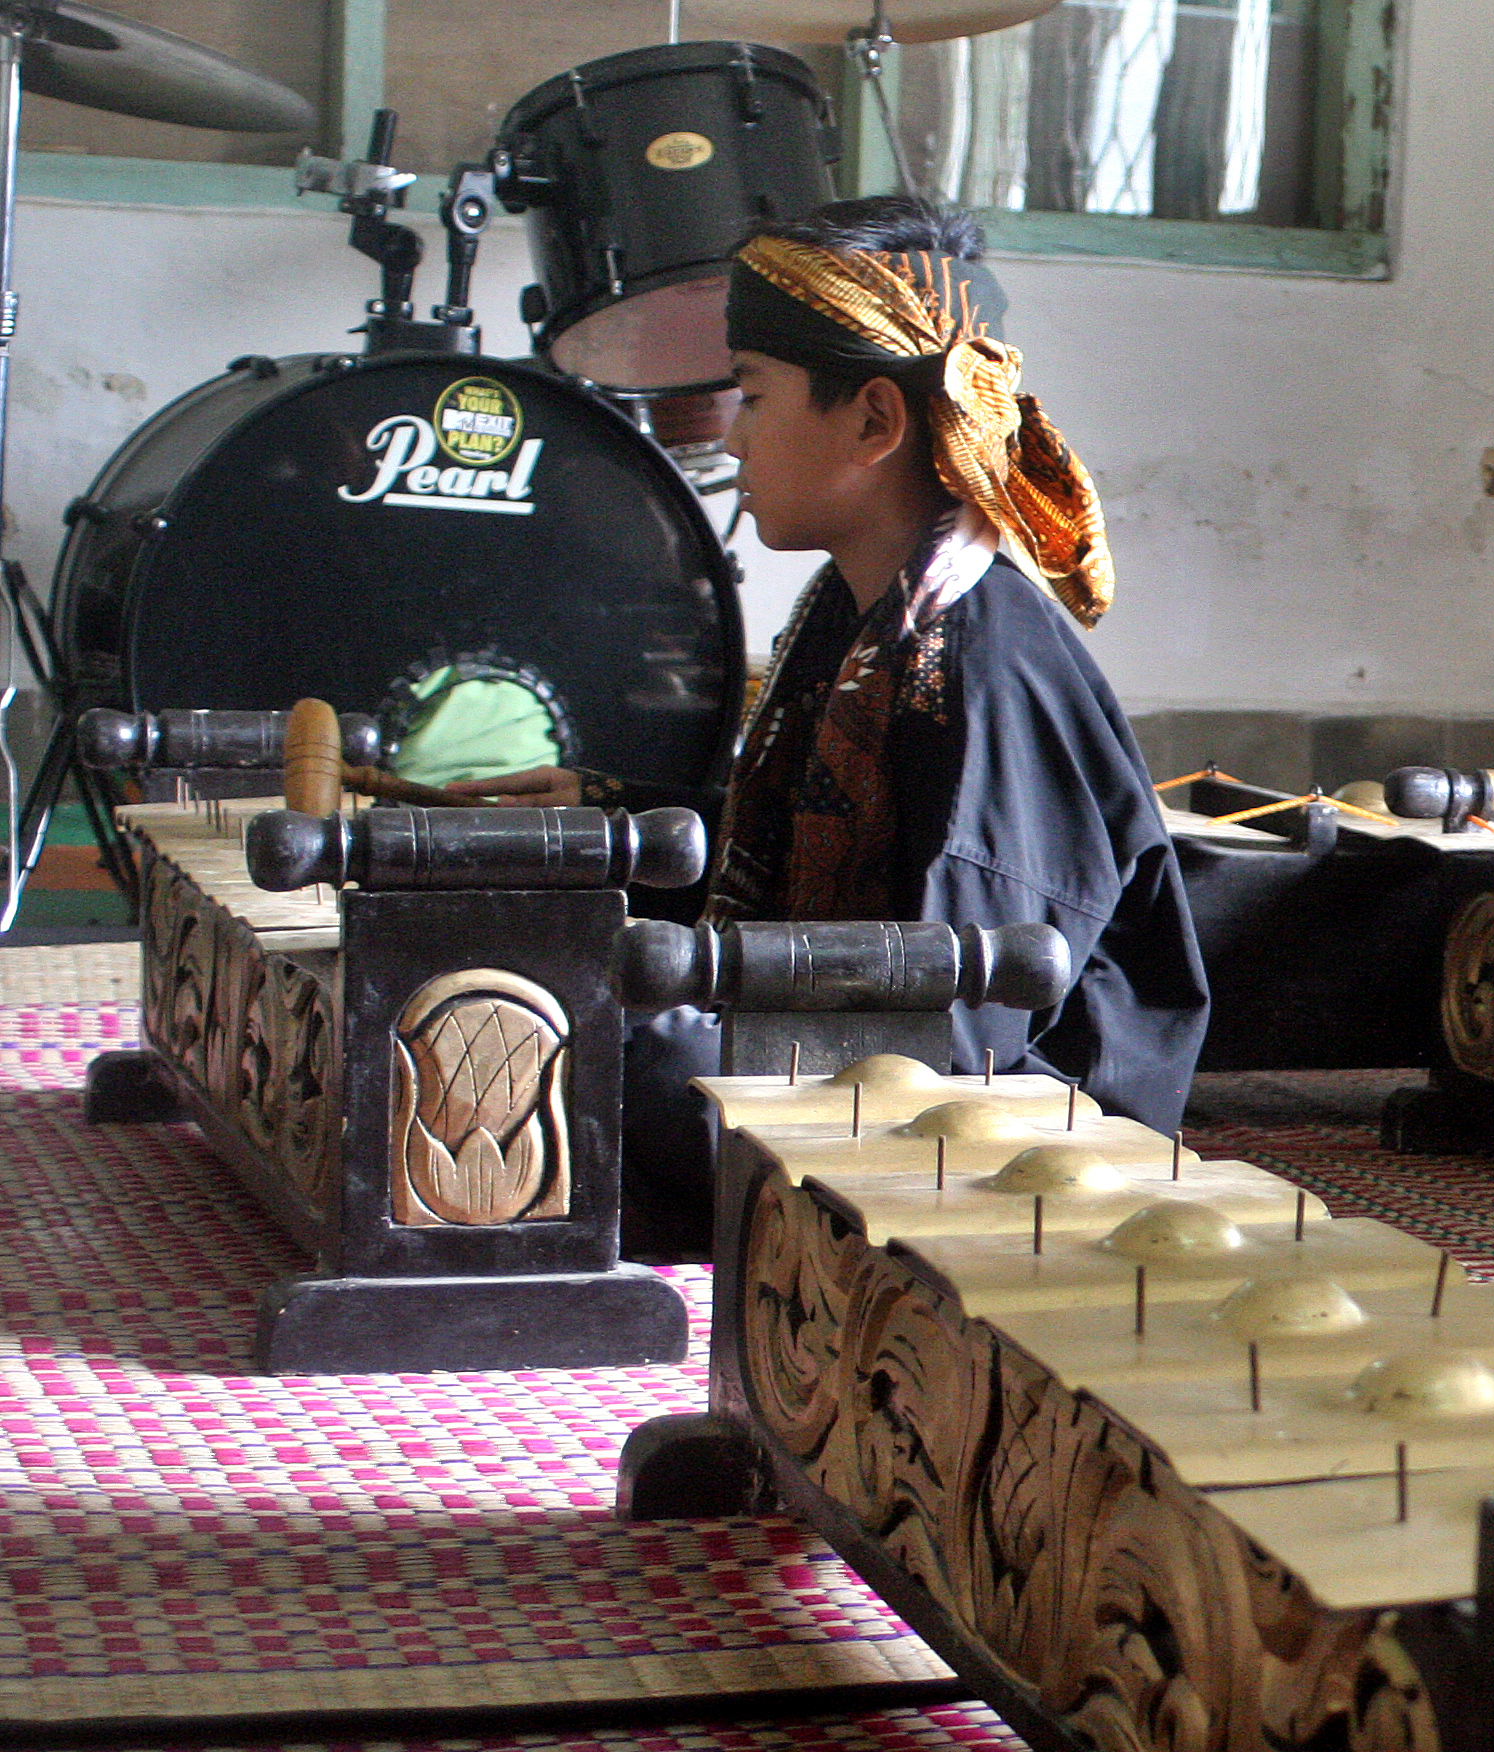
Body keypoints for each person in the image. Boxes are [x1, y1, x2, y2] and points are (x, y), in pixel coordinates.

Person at [454, 196, 1209, 1254]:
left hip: (1020, 1141)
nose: (732, 434)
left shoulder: (980, 661)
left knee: (562, 1037)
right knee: (539, 984)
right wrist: (613, 815)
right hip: (898, 1058)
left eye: (754, 395)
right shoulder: (865, 613)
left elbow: (958, 1027)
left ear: (872, 423)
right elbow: (810, 859)